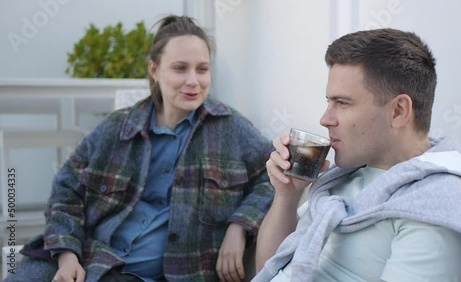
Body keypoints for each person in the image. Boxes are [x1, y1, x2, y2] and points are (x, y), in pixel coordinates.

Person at [6, 15, 274, 282]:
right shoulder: (117, 128)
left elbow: (272, 174)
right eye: (180, 68)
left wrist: (239, 225)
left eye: (202, 69)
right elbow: (66, 190)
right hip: (85, 258)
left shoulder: (230, 129)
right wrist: (67, 257)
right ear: (154, 70)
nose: (193, 80)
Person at [254, 28, 461, 282]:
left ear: (398, 111)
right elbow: (270, 269)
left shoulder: (443, 208)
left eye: (343, 103)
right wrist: (287, 195)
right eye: (328, 101)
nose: (325, 119)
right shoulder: (347, 174)